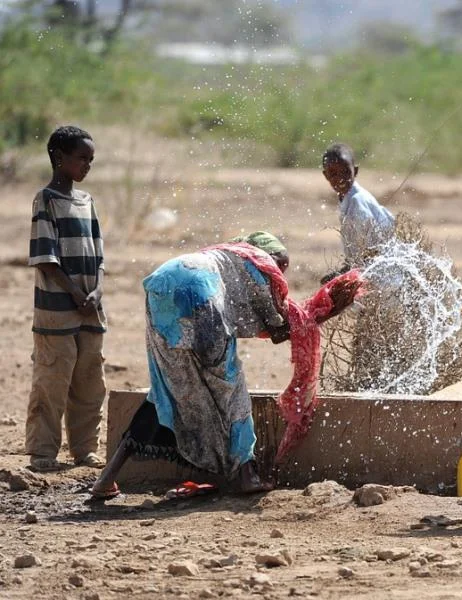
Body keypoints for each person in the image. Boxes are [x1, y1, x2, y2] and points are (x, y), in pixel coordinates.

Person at [90, 232, 359, 499]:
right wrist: (324, 310)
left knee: (165, 389)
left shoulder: (223, 256)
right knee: (231, 389)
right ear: (268, 254)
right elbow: (279, 328)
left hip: (162, 286)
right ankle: (246, 475)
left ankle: (106, 479)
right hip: (201, 298)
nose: (280, 275)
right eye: (281, 265)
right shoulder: (260, 262)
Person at [26, 125, 107, 473]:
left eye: (90, 160)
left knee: (89, 380)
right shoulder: (45, 200)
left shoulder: (87, 201)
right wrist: (75, 294)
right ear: (59, 158)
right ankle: (43, 453)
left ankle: (85, 450)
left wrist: (96, 291)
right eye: (81, 159)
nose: (86, 166)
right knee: (52, 380)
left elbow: (99, 255)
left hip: (90, 308)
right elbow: (46, 258)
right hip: (57, 310)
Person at [320, 142, 395, 284]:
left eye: (345, 172)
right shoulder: (347, 197)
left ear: (356, 171)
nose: (340, 178)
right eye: (333, 173)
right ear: (326, 175)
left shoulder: (357, 203)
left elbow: (370, 253)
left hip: (382, 274)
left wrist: (343, 273)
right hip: (371, 269)